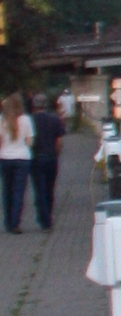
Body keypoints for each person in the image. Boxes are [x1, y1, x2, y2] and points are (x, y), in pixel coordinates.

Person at [28, 93, 66, 231]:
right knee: (50, 189)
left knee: (39, 190)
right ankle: (47, 215)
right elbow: (59, 141)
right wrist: (56, 154)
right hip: (51, 158)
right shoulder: (55, 119)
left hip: (36, 158)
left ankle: (44, 220)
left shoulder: (30, 120)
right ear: (46, 105)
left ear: (34, 105)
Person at [0, 99, 28, 232]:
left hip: (5, 157)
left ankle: (7, 221)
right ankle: (15, 223)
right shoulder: (25, 120)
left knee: (7, 191)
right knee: (19, 191)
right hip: (22, 158)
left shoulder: (1, 119)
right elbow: (29, 141)